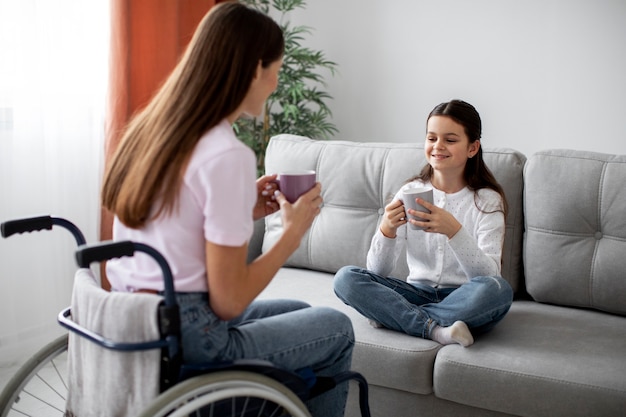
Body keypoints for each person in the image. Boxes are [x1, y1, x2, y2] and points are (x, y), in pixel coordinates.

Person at [101, 3, 354, 416]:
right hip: (193, 333)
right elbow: (229, 302)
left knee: (299, 312)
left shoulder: (153, 130)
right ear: (256, 69)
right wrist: (293, 232)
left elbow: (174, 225)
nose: (275, 83)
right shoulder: (226, 154)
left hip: (137, 317)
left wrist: (244, 207)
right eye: (276, 68)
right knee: (336, 328)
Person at [334, 100, 513, 348]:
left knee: (498, 289)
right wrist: (387, 230)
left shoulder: (487, 201)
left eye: (450, 140)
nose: (438, 146)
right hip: (415, 293)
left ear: (473, 148)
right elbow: (377, 272)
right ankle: (436, 330)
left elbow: (488, 275)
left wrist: (454, 231)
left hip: (462, 297)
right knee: (345, 279)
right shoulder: (410, 192)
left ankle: (396, 317)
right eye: (431, 138)